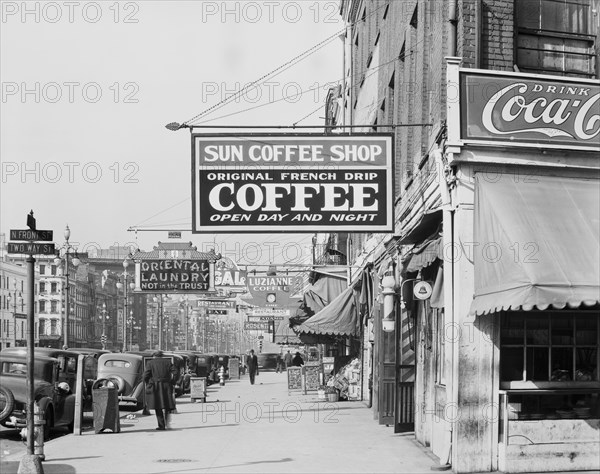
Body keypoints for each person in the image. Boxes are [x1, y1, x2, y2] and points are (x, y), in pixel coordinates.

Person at [144, 350, 177, 430]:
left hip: (155, 386)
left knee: (157, 405)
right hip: (166, 385)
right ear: (162, 356)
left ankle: (161, 425)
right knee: (167, 405)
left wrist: (147, 382)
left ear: (154, 356)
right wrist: (173, 381)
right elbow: (176, 372)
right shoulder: (168, 362)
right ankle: (167, 422)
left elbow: (146, 375)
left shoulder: (150, 363)